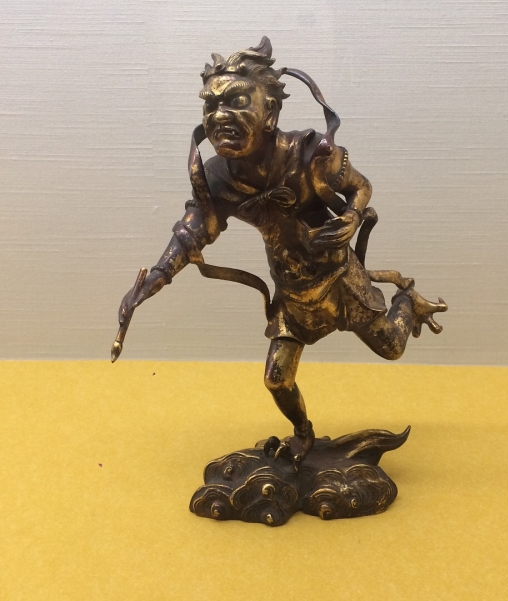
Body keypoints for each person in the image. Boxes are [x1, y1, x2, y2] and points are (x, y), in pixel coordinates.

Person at [118, 37, 446, 468]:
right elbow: (191, 234)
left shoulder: (312, 155)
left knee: (391, 347)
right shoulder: (217, 178)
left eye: (237, 102)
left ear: (270, 112)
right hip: (291, 295)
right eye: (210, 105)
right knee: (277, 380)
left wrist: (352, 217)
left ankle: (407, 300)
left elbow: (361, 187)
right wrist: (154, 280)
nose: (220, 116)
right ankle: (303, 433)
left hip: (340, 280)